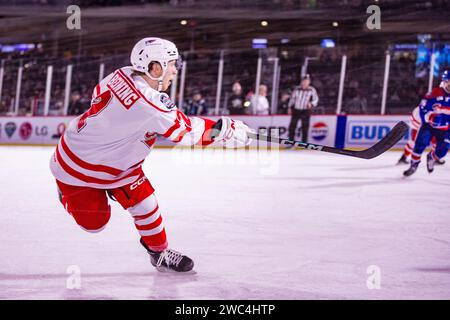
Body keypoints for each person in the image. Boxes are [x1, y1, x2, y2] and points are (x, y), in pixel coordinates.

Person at [49, 37, 252, 273]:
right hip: (76, 167)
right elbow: (187, 132)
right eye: (172, 64)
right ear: (155, 67)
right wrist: (226, 129)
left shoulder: (122, 73)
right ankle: (65, 191)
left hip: (119, 166)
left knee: (147, 204)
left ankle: (159, 253)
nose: (175, 70)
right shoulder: (151, 103)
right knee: (95, 224)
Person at [403, 70, 450, 177]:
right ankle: (413, 165)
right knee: (419, 145)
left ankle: (432, 157)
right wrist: (430, 117)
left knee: (443, 150)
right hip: (429, 126)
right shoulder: (434, 93)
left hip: (446, 129)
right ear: (444, 81)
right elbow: (422, 108)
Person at [287, 74, 319, 143]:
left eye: (306, 81)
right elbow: (292, 99)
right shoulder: (297, 89)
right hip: (296, 110)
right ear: (301, 82)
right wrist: (289, 107)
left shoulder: (312, 90)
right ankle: (290, 141)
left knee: (305, 127)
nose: (304, 82)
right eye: (303, 81)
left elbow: (316, 99)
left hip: (305, 111)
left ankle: (304, 143)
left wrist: (311, 103)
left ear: (309, 82)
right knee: (292, 126)